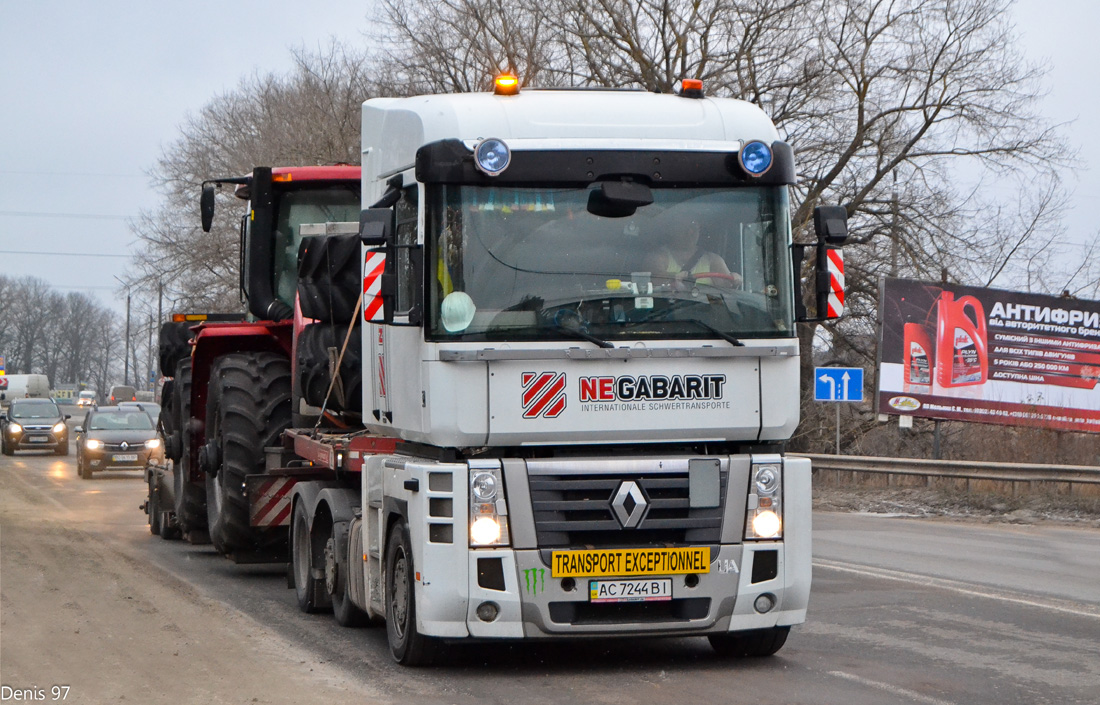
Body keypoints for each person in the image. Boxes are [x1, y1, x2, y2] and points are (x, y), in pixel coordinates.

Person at [644, 220, 742, 289]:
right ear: (671, 230)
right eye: (683, 227)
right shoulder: (658, 257)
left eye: (693, 226)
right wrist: (673, 278)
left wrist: (734, 281)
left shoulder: (713, 260)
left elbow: (726, 290)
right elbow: (655, 280)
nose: (690, 232)